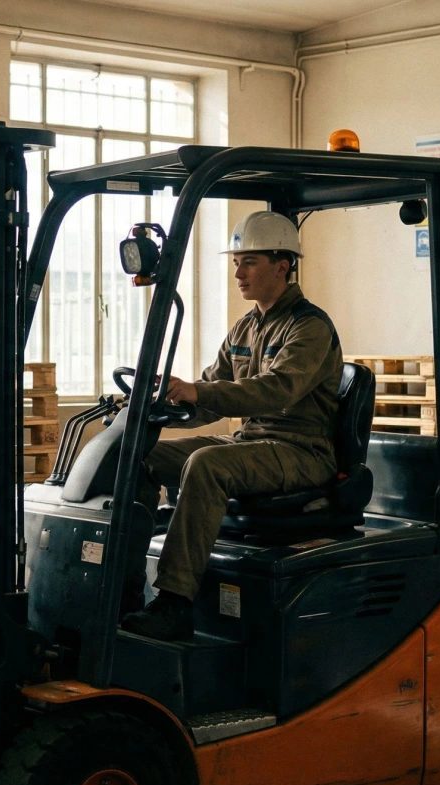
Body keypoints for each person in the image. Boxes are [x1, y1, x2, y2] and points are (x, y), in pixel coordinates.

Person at [121, 211, 345, 641]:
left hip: (301, 450)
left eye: (250, 262)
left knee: (207, 465)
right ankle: (125, 580)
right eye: (236, 262)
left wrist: (200, 393)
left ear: (283, 265)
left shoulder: (310, 327)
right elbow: (210, 391)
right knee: (138, 456)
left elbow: (275, 390)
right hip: (253, 443)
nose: (238, 273)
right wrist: (165, 401)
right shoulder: (245, 326)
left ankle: (174, 603)